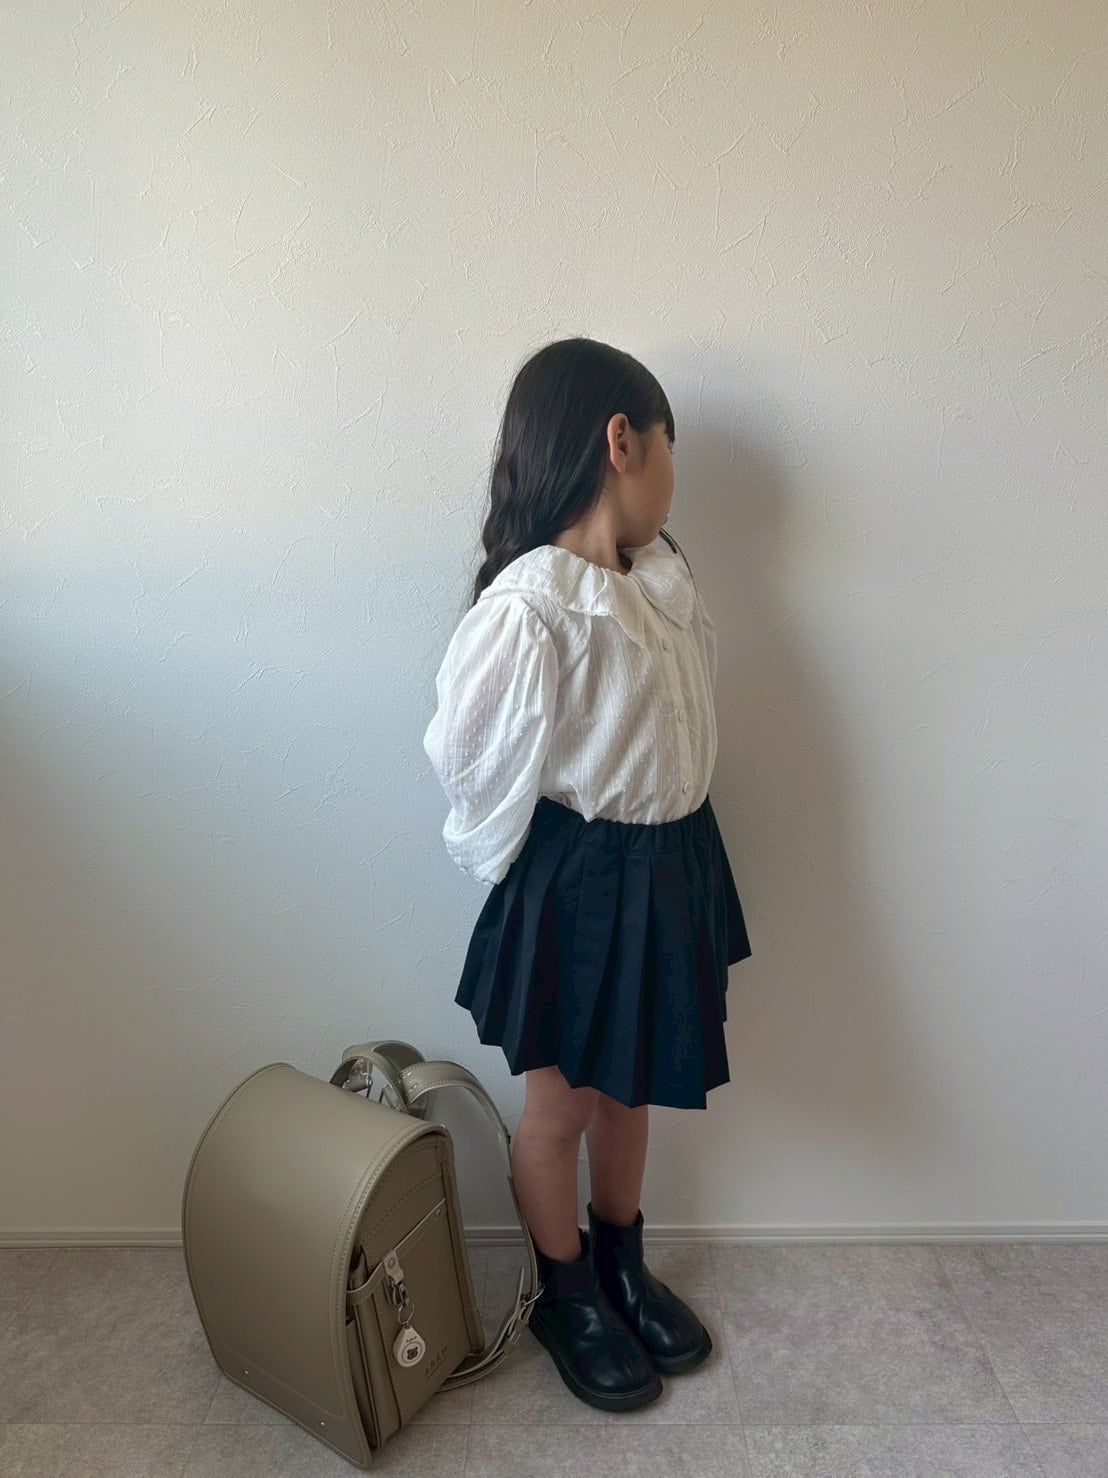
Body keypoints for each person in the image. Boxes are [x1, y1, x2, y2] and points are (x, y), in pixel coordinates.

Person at [421, 336, 753, 1413]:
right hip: (583, 885)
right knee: (561, 1105)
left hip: (670, 864)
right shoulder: (532, 606)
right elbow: (469, 754)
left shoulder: (661, 581)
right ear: (622, 442)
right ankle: (566, 1294)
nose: (673, 476)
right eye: (669, 448)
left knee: (630, 1088)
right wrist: (509, 865)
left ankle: (621, 1263)